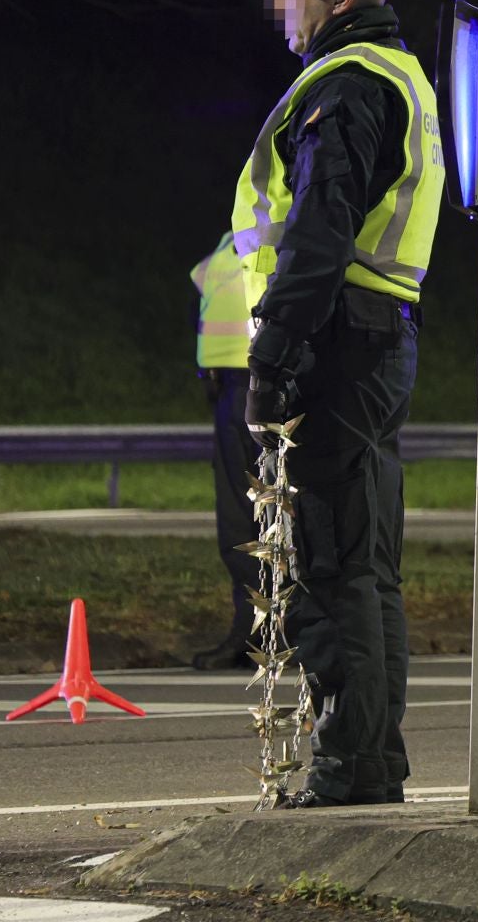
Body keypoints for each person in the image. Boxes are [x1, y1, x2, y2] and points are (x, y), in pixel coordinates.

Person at [233, 0, 445, 808]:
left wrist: (275, 352)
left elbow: (320, 229)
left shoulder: (348, 87)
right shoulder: (398, 77)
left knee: (330, 565)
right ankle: (371, 760)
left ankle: (349, 768)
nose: (283, 15)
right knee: (366, 566)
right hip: (376, 337)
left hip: (336, 342)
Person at [188, 232, 264, 670]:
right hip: (230, 388)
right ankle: (248, 630)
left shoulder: (286, 221)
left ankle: (290, 633)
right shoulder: (232, 238)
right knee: (238, 521)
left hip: (269, 385)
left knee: (276, 516)